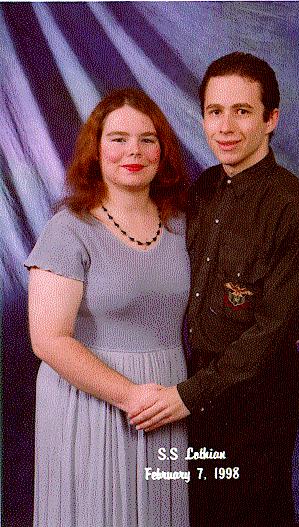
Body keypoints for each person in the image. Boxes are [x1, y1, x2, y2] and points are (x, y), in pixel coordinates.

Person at [130, 52, 299, 526]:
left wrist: (186, 395)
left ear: (270, 119)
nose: (225, 126)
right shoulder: (203, 189)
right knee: (203, 512)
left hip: (255, 396)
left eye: (242, 111)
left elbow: (273, 333)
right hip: (198, 386)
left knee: (252, 513)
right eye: (214, 111)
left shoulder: (297, 211)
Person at [24, 88, 191, 527]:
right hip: (92, 402)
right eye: (118, 139)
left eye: (147, 139)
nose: (133, 151)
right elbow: (48, 340)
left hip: (167, 397)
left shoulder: (183, 223)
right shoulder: (68, 229)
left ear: (163, 151)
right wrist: (130, 395)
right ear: (95, 151)